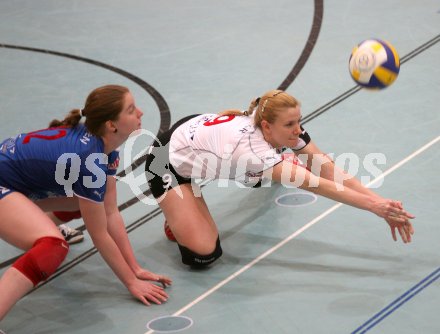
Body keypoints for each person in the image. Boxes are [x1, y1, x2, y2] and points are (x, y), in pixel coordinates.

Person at [144, 89, 415, 268]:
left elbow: (327, 170)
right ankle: (179, 208)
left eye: (299, 121)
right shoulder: (252, 153)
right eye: (289, 125)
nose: (297, 130)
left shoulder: (278, 122)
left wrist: (383, 204)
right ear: (266, 126)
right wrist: (375, 208)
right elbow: (320, 185)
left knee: (278, 169)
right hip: (168, 162)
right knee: (204, 253)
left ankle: (194, 198)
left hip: (205, 140)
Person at [0, 85, 171, 321]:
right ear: (112, 125)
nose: (140, 112)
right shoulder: (89, 160)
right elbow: (99, 233)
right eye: (131, 110)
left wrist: (136, 269)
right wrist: (131, 283)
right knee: (53, 246)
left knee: (89, 204)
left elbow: (110, 212)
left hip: (13, 186)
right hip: (6, 187)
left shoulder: (105, 148)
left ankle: (41, 226)